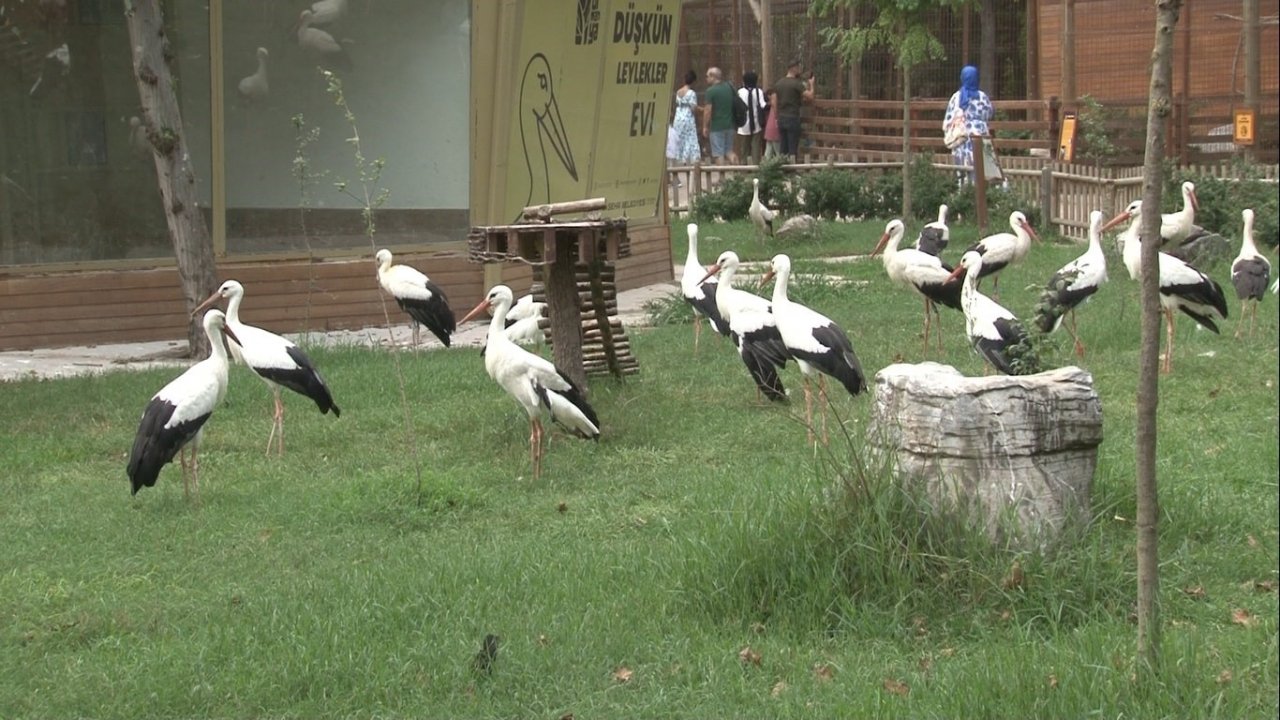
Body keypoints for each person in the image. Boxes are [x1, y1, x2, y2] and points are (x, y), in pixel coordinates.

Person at [943, 65, 994, 183]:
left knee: (963, 168)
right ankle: (984, 194)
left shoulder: (957, 97)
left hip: (963, 137)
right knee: (984, 167)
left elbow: (949, 118)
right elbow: (989, 113)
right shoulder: (983, 97)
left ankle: (964, 195)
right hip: (981, 136)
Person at [773, 59, 814, 161]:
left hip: (781, 118)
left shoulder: (779, 83)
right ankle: (792, 169)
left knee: (783, 146)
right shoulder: (796, 84)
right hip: (792, 117)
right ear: (793, 68)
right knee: (792, 146)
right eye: (798, 67)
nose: (799, 69)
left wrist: (776, 117)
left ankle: (782, 167)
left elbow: (774, 102)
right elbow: (810, 96)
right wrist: (812, 84)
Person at [701, 67, 738, 164]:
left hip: (717, 126)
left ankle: (722, 177)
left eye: (707, 76)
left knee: (718, 153)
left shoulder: (711, 91)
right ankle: (738, 171)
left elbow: (708, 111)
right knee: (729, 151)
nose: (706, 78)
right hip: (730, 124)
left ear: (713, 77)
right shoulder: (729, 87)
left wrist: (705, 126)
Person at [668, 70, 702, 166]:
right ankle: (689, 159)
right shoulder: (691, 93)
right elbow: (693, 107)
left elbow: (678, 104)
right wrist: (701, 110)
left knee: (679, 138)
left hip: (678, 117)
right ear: (693, 81)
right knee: (690, 138)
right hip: (687, 118)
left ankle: (679, 158)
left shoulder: (678, 92)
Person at [735, 70, 767, 164]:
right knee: (756, 147)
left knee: (744, 148)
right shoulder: (758, 91)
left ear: (744, 81)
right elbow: (763, 105)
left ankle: (744, 168)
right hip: (756, 124)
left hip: (743, 124)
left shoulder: (740, 92)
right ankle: (756, 167)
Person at [762, 88, 782, 160]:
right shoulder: (774, 109)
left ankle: (766, 164)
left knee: (769, 149)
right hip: (774, 129)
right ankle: (779, 162)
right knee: (778, 150)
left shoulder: (770, 108)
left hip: (769, 129)